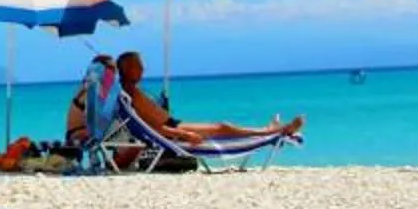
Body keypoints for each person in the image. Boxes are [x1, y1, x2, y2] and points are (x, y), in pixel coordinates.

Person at [109, 51, 303, 148]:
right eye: (138, 66)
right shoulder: (130, 94)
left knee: (223, 127)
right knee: (223, 128)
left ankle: (269, 130)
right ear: (126, 69)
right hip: (172, 131)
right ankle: (274, 131)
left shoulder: (129, 91)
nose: (143, 69)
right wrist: (185, 136)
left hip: (173, 125)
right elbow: (150, 128)